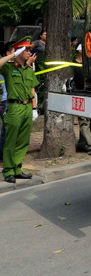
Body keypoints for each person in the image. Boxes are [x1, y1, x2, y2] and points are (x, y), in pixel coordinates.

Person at [0, 38, 39, 183]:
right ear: (19, 51)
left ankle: (17, 168)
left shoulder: (28, 70)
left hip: (27, 107)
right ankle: (8, 170)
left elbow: (32, 89)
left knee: (23, 141)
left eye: (29, 49)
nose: (30, 52)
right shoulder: (9, 68)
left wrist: (34, 108)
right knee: (10, 141)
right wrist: (13, 55)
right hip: (14, 107)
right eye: (26, 50)